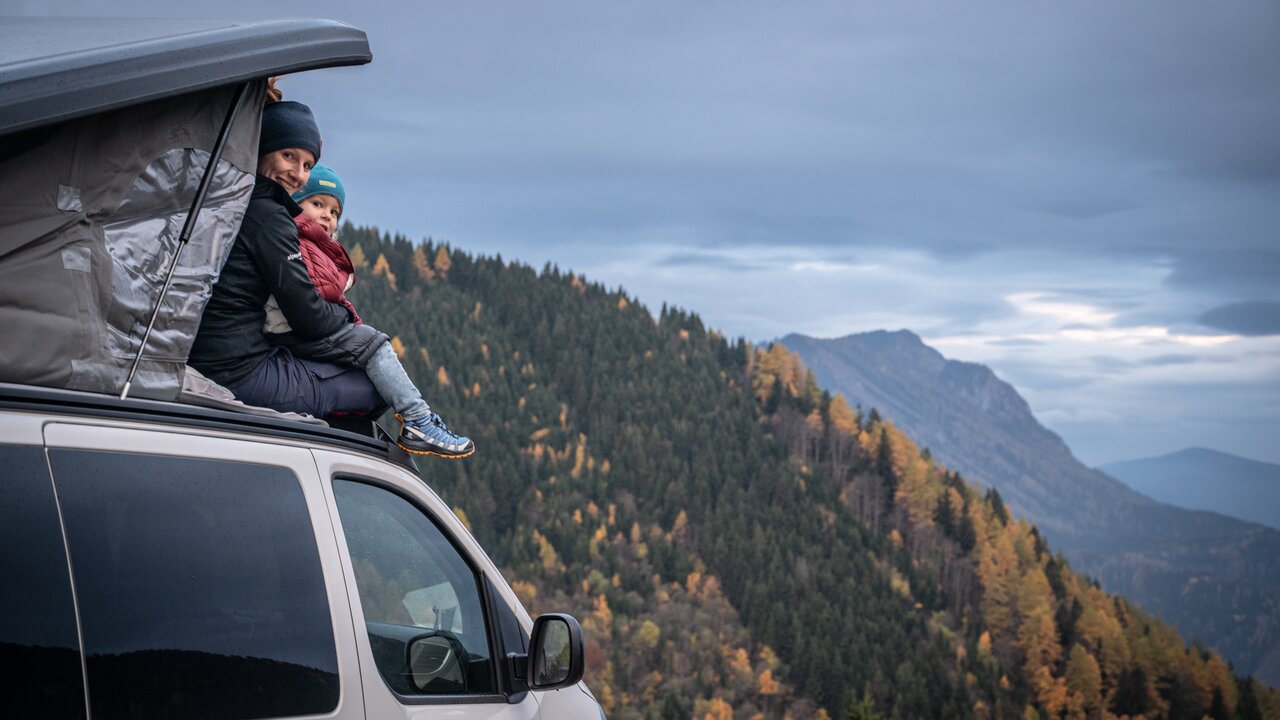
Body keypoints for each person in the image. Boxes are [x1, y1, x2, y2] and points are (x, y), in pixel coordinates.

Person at [189, 96, 472, 458]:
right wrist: (347, 322)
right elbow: (306, 314)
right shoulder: (268, 215)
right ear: (264, 148)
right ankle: (341, 450)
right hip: (237, 371)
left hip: (219, 355)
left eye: (307, 164)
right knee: (372, 388)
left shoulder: (237, 199)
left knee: (357, 362)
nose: (298, 173)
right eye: (288, 156)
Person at [263, 164, 473, 458]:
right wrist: (348, 313)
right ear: (296, 204)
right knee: (375, 347)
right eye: (317, 203)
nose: (327, 215)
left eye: (334, 212)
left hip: (294, 328)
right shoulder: (299, 240)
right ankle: (418, 420)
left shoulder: (311, 243)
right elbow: (320, 294)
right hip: (291, 330)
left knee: (366, 355)